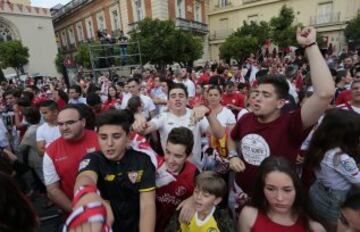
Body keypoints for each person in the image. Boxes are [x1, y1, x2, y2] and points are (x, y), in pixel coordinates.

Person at [227, 27, 335, 216]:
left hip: (274, 203)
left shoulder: (292, 123)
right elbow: (232, 137)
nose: (256, 99)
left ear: (280, 103)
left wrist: (310, 45)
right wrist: (233, 155)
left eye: (265, 95)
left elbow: (325, 93)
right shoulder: (245, 118)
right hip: (240, 193)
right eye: (256, 93)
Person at [70, 110, 156, 232]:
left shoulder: (143, 161)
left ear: (127, 137)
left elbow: (147, 204)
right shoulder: (93, 159)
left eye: (116, 136)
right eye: (103, 137)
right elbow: (85, 177)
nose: (109, 143)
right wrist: (87, 194)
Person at [133, 83, 225, 170]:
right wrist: (138, 119)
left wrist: (208, 113)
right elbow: (143, 130)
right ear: (168, 101)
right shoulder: (162, 117)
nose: (177, 99)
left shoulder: (195, 114)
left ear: (187, 99)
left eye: (181, 96)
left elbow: (220, 134)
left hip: (194, 170)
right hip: (171, 171)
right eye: (173, 96)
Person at [305, 109, 360, 231]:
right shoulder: (341, 158)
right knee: (334, 227)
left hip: (318, 190)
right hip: (334, 199)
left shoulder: (319, 144)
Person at [238, 156, 325, 232]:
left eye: (287, 190)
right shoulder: (248, 215)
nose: (279, 198)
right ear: (261, 188)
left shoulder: (313, 227)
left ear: (297, 189)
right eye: (271, 189)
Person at [43, 105, 100, 213]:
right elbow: (52, 190)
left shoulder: (101, 138)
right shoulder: (51, 151)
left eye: (70, 122)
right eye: (60, 124)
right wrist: (77, 211)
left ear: (83, 122)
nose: (64, 128)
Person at [156, 127, 198, 232]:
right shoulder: (153, 165)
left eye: (177, 156)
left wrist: (194, 198)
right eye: (168, 152)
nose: (170, 160)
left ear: (188, 156)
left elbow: (212, 189)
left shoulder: (193, 174)